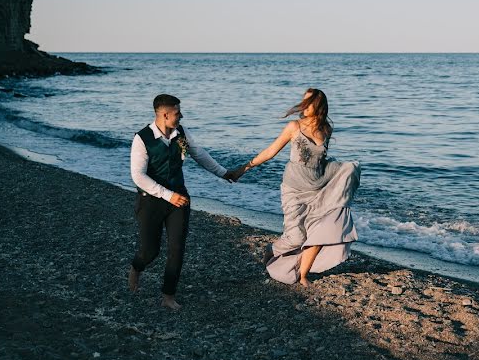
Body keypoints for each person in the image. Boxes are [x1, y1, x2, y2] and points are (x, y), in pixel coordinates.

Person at [231, 88, 360, 285]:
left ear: (319, 106)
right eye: (303, 102)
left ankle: (303, 275)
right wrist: (244, 168)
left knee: (320, 230)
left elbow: (320, 161)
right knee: (296, 237)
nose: (303, 106)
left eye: (308, 103)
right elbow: (270, 151)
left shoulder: (326, 129)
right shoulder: (294, 127)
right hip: (294, 189)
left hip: (318, 187)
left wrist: (340, 177)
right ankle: (271, 250)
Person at [128, 94, 238, 310]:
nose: (181, 116)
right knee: (150, 251)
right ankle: (136, 267)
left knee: (177, 248)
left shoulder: (182, 134)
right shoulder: (142, 139)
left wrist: (224, 173)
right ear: (165, 114)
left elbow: (200, 155)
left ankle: (168, 296)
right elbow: (138, 176)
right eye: (177, 113)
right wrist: (167, 195)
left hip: (180, 199)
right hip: (150, 201)